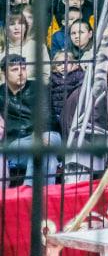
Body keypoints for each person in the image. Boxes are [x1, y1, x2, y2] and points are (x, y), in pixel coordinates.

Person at [0, 54, 61, 186]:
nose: (20, 73)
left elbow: (48, 118)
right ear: (4, 73)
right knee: (46, 155)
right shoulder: (0, 94)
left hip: (47, 134)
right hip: (18, 142)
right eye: (15, 70)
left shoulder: (39, 88)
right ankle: (40, 196)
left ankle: (30, 192)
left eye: (23, 68)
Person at [4, 9, 50, 85]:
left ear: (26, 27)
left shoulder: (39, 47)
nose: (16, 27)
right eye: (12, 24)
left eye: (20, 23)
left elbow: (45, 76)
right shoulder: (1, 48)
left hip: (32, 90)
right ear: (6, 28)